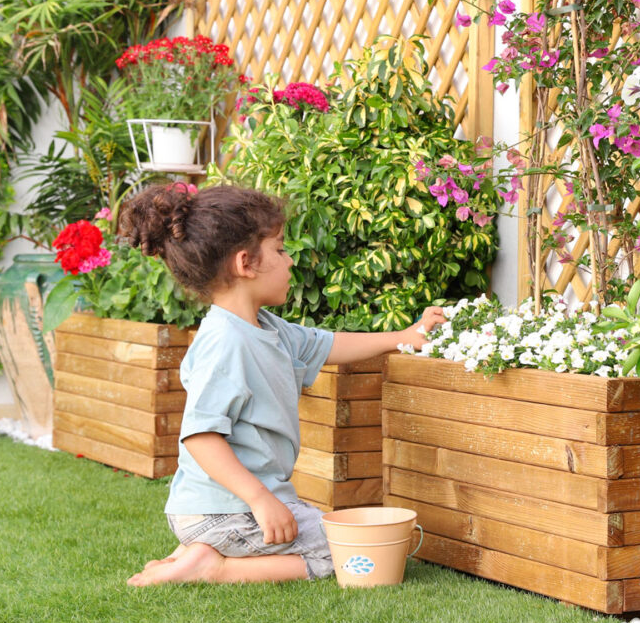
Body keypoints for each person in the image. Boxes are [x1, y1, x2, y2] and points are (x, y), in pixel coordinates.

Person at [118, 182, 445, 587]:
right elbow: (201, 437)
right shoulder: (226, 343)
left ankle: (197, 551)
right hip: (226, 510)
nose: (290, 261)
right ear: (246, 263)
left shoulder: (265, 328)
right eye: (280, 249)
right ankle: (214, 567)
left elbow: (327, 344)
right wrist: (260, 501)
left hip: (228, 509)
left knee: (341, 533)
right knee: (353, 549)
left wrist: (405, 336)